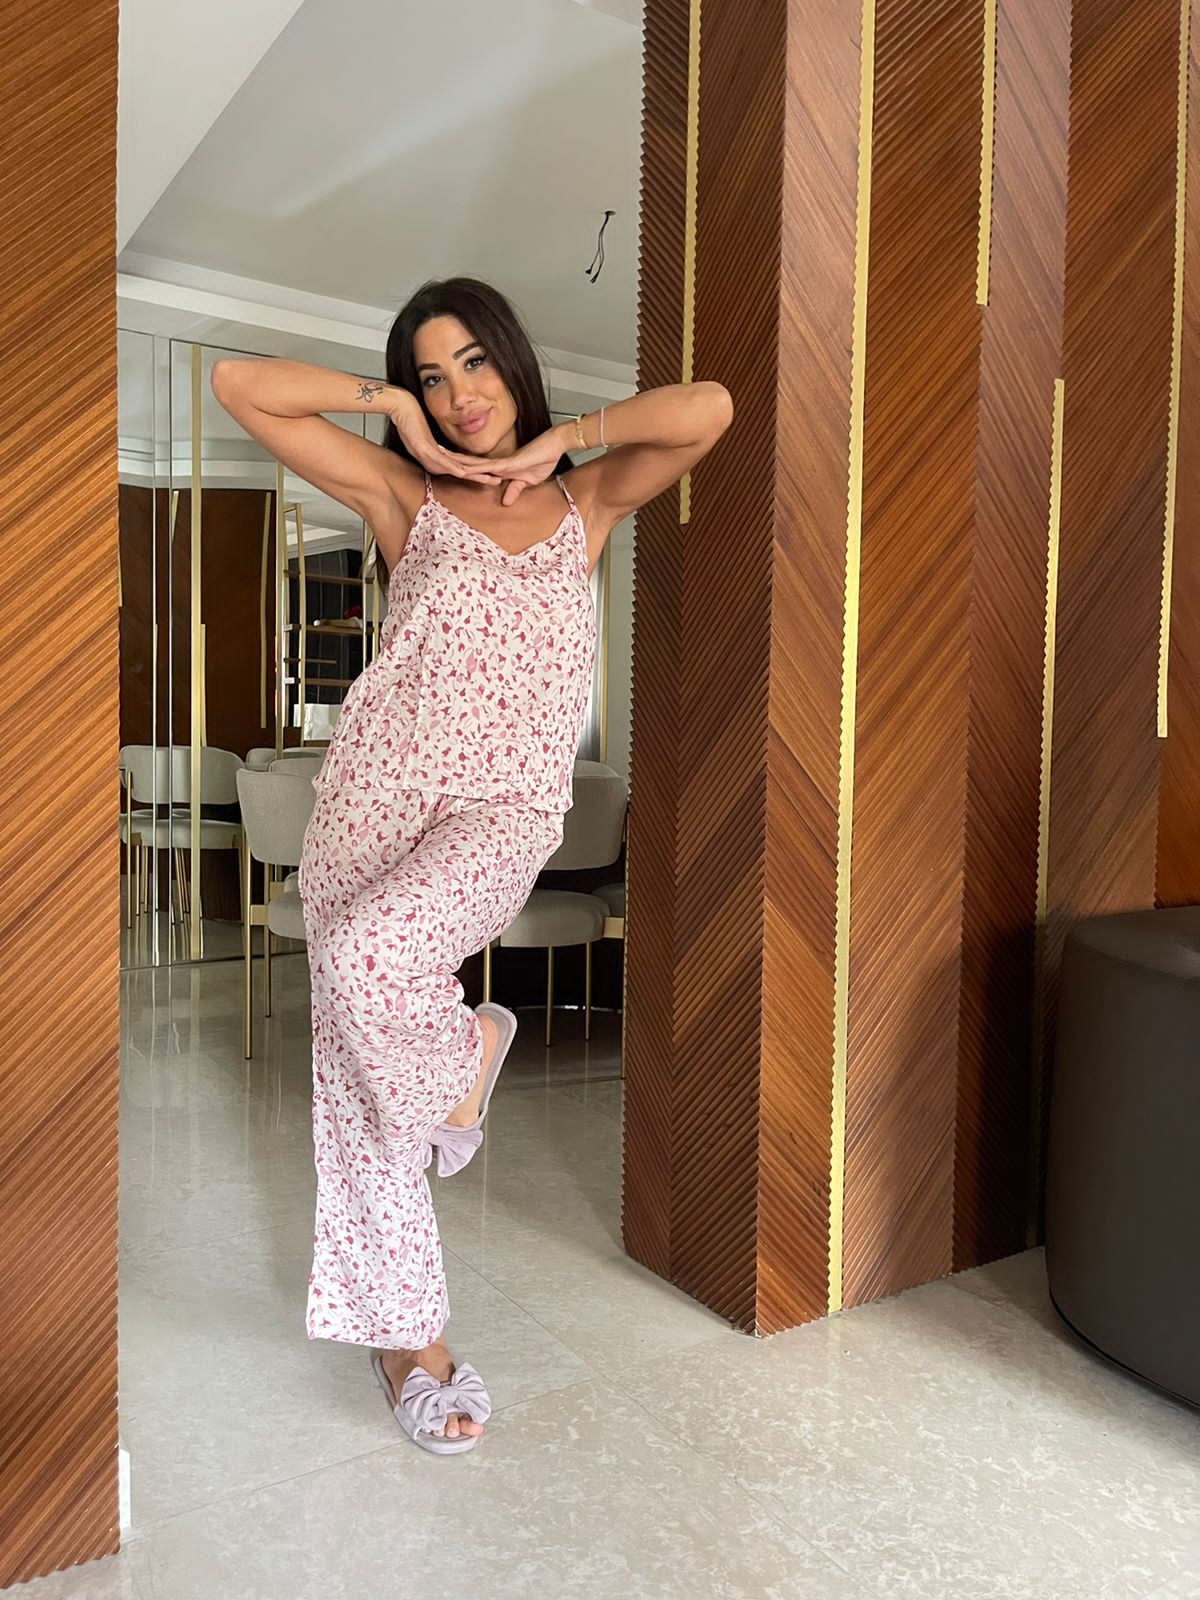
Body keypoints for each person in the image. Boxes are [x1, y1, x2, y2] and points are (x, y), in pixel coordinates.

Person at [212, 276, 732, 1455]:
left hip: (503, 808)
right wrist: (386, 406)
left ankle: (472, 1045)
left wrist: (569, 435)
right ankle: (415, 1341)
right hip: (372, 799)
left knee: (359, 960)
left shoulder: (585, 504)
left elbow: (709, 409)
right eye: (436, 375)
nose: (462, 395)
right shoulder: (406, 496)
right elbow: (237, 385)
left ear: (514, 362)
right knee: (353, 1076)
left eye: (474, 366)